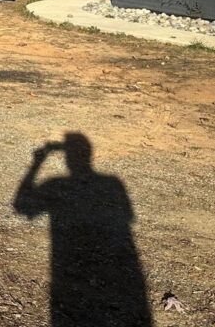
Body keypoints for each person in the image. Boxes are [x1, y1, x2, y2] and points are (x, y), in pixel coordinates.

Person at [13, 132, 152, 327]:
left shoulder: (57, 184)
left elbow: (21, 206)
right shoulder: (112, 184)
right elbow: (128, 219)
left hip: (67, 267)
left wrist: (38, 162)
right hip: (112, 270)